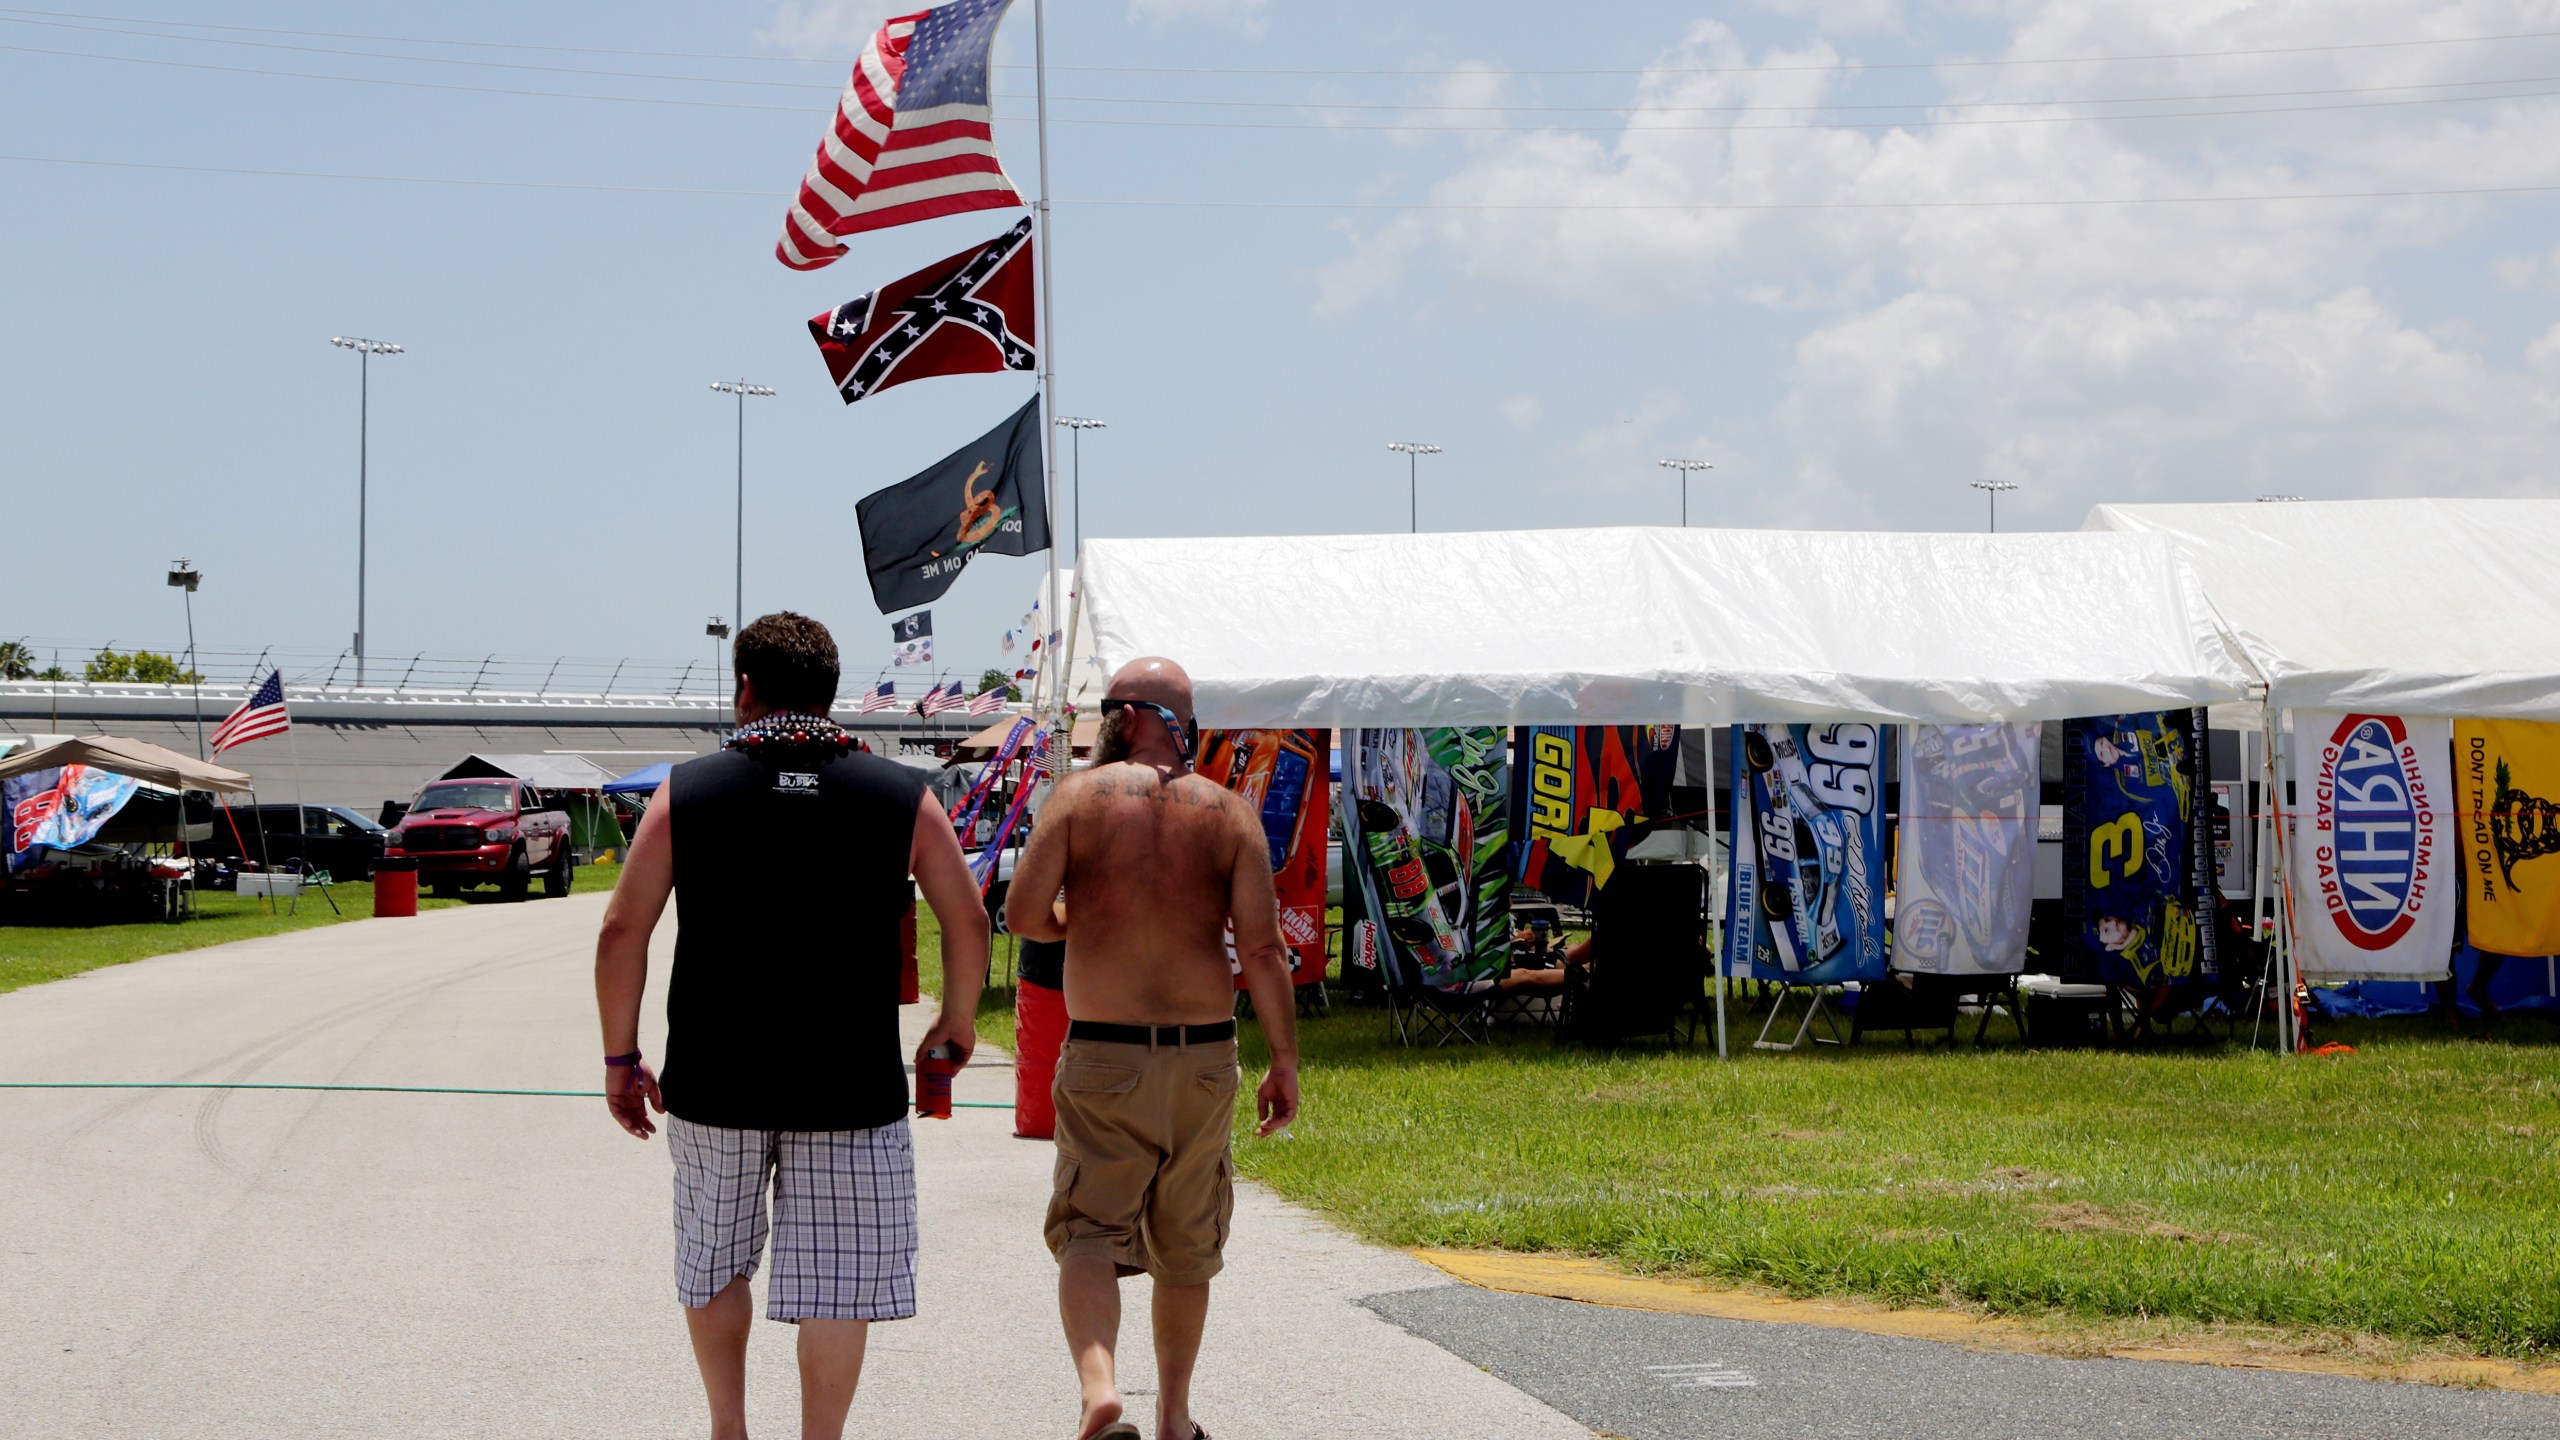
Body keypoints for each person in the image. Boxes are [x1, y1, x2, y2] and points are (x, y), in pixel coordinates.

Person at [593, 611, 989, 1440]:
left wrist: (621, 1057)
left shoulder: (687, 791)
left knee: (713, 1261)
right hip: (849, 1083)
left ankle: (728, 1429)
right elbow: (967, 918)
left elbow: (623, 928)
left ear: (745, 689)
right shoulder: (900, 795)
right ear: (830, 692)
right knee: (839, 1284)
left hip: (714, 1079)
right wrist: (954, 1022)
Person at [1006, 656, 1301, 1440]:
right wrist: (1286, 1061)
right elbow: (1264, 951)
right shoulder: (1228, 814)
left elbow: (1024, 913)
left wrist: (1088, 917)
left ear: (1128, 717)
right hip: (1203, 1058)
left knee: (1089, 1231)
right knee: (1186, 1244)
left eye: (1108, 711)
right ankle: (1174, 1416)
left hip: (1106, 1052)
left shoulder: (1078, 799)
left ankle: (1101, 1392)